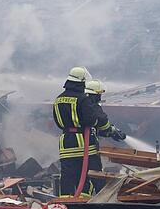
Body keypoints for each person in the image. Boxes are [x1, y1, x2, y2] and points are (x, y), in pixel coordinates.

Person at [52, 67, 121, 197]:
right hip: (84, 144)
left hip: (65, 142)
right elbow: (92, 120)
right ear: (81, 81)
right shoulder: (83, 99)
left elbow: (57, 121)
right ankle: (92, 201)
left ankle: (66, 201)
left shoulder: (58, 99)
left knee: (67, 176)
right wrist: (110, 129)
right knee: (91, 175)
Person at [83, 80, 126, 191]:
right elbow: (102, 122)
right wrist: (112, 130)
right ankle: (100, 196)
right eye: (99, 95)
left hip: (78, 148)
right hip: (88, 149)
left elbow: (94, 127)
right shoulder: (92, 106)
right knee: (96, 176)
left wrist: (108, 133)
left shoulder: (81, 104)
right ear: (94, 94)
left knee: (83, 178)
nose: (100, 97)